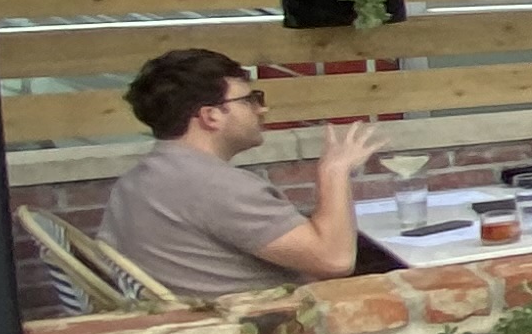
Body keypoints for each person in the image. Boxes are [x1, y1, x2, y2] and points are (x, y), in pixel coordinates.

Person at [94, 49, 380, 294]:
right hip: (254, 330)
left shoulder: (137, 180)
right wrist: (335, 170)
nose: (262, 108)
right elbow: (335, 259)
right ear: (211, 116)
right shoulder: (214, 186)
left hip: (192, 321)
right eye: (250, 99)